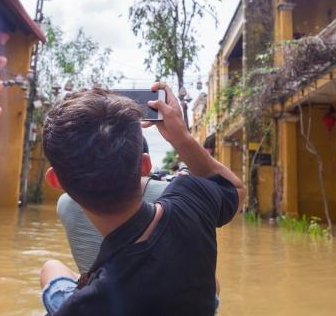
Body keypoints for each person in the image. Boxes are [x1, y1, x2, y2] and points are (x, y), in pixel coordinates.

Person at [40, 83, 246, 316]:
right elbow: (235, 189)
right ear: (145, 166)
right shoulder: (191, 201)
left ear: (56, 181)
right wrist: (182, 138)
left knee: (52, 269)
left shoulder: (81, 307)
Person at [54, 137, 169, 274]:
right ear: (144, 165)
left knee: (52, 266)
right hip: (157, 292)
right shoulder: (169, 193)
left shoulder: (65, 203)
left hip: (93, 290)